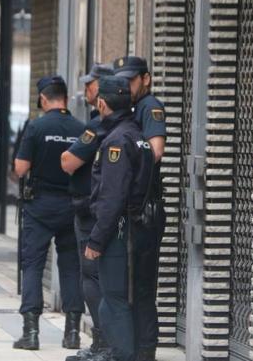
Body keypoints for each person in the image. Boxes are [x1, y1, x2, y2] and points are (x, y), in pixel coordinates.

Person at [84, 76, 158, 361]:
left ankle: (122, 354)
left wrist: (97, 239)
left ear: (102, 103)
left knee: (113, 299)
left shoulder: (116, 141)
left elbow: (112, 196)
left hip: (119, 230)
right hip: (138, 227)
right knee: (134, 296)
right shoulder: (138, 135)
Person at [13, 76, 85, 351]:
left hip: (40, 206)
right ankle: (73, 333)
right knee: (70, 267)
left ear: (43, 99)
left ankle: (30, 334)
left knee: (32, 265)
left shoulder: (36, 126)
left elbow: (20, 169)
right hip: (71, 206)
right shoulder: (81, 129)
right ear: (65, 98)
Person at [113, 56, 166, 361]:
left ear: (145, 79)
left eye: (131, 80)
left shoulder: (150, 106)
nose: (126, 86)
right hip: (136, 205)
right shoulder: (133, 108)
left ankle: (145, 350)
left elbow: (156, 151)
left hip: (146, 207)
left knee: (143, 284)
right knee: (131, 282)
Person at [60, 63, 113, 361]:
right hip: (108, 210)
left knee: (92, 277)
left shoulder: (98, 126)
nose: (85, 90)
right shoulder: (123, 124)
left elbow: (68, 162)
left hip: (91, 211)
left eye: (90, 85)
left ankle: (102, 343)